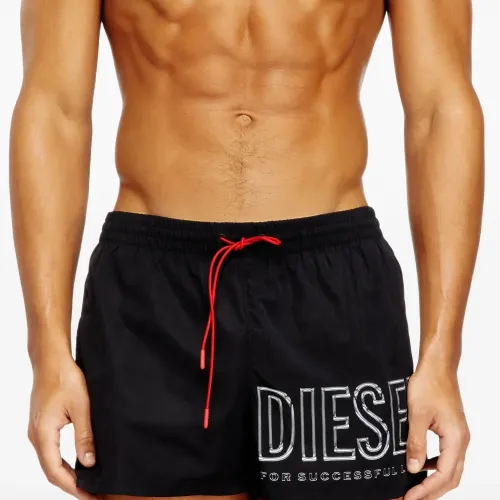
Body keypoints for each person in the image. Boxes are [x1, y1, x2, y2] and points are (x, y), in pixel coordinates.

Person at [10, 0, 483, 499]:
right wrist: (46, 351)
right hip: (153, 298)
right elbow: (54, 108)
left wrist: (442, 357)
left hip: (331, 286)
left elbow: (440, 109)